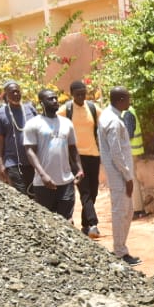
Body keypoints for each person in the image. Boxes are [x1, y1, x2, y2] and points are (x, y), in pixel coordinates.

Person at [23, 88, 83, 219]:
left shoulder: (67, 123)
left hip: (66, 182)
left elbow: (73, 148)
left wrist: (79, 169)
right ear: (41, 103)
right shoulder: (33, 124)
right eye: (50, 99)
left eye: (56, 98)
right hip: (44, 184)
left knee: (66, 220)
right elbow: (29, 151)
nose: (55, 101)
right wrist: (43, 175)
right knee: (47, 222)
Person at [98, 86, 140, 265]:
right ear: (121, 100)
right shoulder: (113, 121)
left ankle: (121, 248)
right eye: (128, 99)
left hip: (118, 173)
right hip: (119, 174)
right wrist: (128, 176)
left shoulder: (108, 116)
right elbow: (116, 153)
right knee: (121, 212)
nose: (130, 103)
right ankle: (120, 252)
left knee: (126, 211)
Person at [59, 80, 102, 237]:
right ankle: (93, 223)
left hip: (94, 155)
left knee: (94, 191)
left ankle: (85, 226)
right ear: (72, 95)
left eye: (83, 93)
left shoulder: (92, 108)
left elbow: (104, 122)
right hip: (76, 157)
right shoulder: (66, 110)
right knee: (85, 191)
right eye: (78, 94)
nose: (81, 97)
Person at [0, 81, 37, 194]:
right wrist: (0, 163)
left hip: (33, 162)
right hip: (13, 162)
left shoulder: (30, 109)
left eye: (18, 91)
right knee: (22, 195)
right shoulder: (0, 114)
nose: (16, 94)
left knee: (35, 195)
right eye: (12, 92)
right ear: (6, 95)